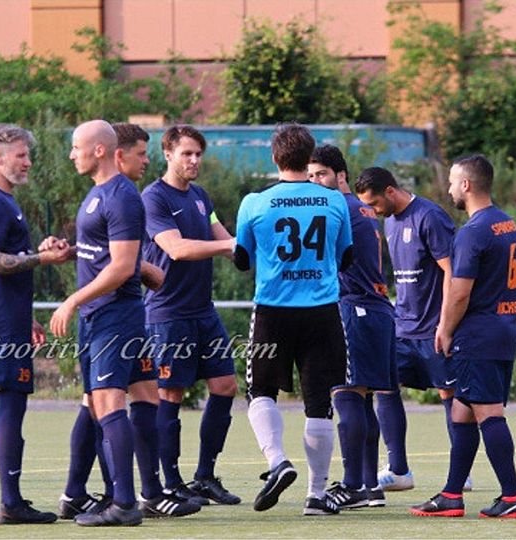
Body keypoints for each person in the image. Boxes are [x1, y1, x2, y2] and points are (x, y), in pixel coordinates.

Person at [48, 119, 198, 527]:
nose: (71, 154)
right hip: (112, 315)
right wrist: (70, 251)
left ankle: (125, 502)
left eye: (76, 147)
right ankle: (129, 494)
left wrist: (72, 301)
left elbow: (118, 267)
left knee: (107, 403)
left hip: (112, 316)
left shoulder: (122, 197)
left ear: (99, 150)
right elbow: (110, 254)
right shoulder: (99, 195)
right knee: (144, 397)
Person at [234, 123, 353, 516]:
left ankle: (278, 462)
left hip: (273, 309)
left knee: (260, 392)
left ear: (274, 157)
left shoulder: (254, 201)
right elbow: (345, 257)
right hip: (321, 311)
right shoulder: (333, 201)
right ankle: (317, 496)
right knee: (319, 404)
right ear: (309, 158)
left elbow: (241, 259)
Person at [0, 123, 69, 525]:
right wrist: (45, 259)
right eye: (20, 155)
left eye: (27, 154)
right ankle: (11, 502)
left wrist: (29, 315)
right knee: (10, 402)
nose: (28, 162)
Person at [412, 154, 516, 519]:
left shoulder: (472, 231)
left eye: (451, 181)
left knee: (487, 412)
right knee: (462, 412)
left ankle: (513, 497)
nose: (448, 189)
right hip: (504, 328)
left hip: (477, 335)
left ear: (466, 185)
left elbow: (460, 292)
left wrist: (444, 329)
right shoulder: (507, 224)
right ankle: (451, 494)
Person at [141, 125, 242, 505]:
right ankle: (170, 483)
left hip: (203, 311)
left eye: (198, 154)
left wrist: (255, 247)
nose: (194, 161)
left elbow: (228, 241)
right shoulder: (153, 199)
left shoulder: (200, 197)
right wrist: (228, 245)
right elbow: (177, 249)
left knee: (225, 386)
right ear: (167, 154)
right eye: (186, 154)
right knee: (170, 392)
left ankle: (205, 477)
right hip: (167, 314)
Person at [354, 167, 470, 493]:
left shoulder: (430, 217)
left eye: (375, 203)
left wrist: (446, 325)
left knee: (450, 394)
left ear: (391, 191)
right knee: (384, 385)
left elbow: (452, 272)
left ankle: (460, 472)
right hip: (402, 326)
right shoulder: (388, 222)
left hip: (434, 328)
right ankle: (399, 469)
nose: (373, 211)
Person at [307, 146, 397, 510]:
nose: (314, 182)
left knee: (345, 395)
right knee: (363, 399)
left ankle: (352, 484)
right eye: (310, 175)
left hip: (353, 307)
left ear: (341, 176)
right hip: (375, 308)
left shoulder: (336, 207)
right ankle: (370, 485)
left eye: (321, 174)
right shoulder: (361, 208)